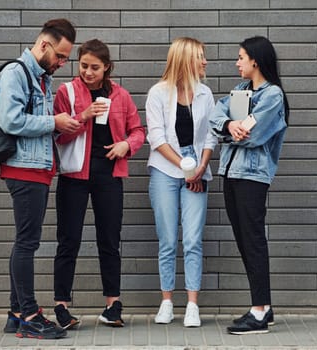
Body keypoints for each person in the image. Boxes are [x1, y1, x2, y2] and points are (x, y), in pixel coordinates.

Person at [52, 39, 145, 328]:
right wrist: (83, 116)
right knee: (69, 239)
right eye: (83, 66)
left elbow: (138, 130)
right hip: (74, 174)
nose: (88, 73)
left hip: (109, 174)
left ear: (107, 67)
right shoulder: (66, 92)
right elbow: (58, 135)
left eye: (95, 68)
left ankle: (112, 304)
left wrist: (126, 147)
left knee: (109, 239)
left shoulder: (121, 95)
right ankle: (61, 305)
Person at [0, 19, 79, 339]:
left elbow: (36, 123)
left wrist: (59, 125)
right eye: (60, 56)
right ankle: (30, 314)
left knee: (24, 241)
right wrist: (52, 121)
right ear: (44, 45)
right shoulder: (16, 73)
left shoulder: (40, 76)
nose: (61, 63)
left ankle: (16, 313)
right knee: (27, 243)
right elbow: (10, 120)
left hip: (37, 168)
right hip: (24, 169)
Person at [209, 36, 289, 335]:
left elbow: (254, 136)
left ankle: (259, 310)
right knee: (244, 239)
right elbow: (216, 116)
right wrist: (230, 125)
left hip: (253, 177)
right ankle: (262, 307)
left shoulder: (272, 96)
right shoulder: (240, 92)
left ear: (255, 60)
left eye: (241, 57)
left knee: (253, 240)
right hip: (230, 173)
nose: (237, 62)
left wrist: (229, 130)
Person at [146, 37, 217, 328]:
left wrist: (200, 168)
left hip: (197, 170)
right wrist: (187, 168)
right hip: (166, 168)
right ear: (186, 59)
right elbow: (157, 137)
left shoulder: (205, 93)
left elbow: (211, 135)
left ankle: (191, 305)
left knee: (192, 239)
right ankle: (166, 302)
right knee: (166, 239)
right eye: (201, 57)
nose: (205, 62)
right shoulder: (158, 93)